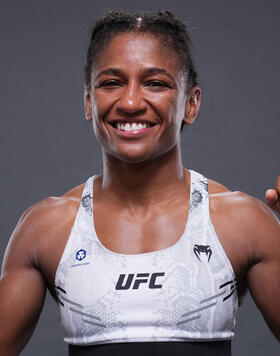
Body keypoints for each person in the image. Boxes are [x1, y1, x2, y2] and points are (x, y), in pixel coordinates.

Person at [0, 11, 279, 356]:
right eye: (112, 83)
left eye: (156, 83)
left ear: (191, 104)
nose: (131, 102)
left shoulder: (244, 222)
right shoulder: (45, 227)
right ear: (89, 101)